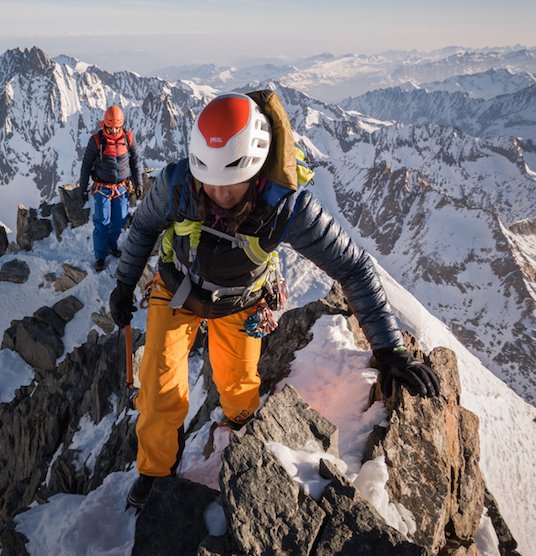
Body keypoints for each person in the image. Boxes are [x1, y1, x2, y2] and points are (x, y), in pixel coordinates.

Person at [108, 91, 442, 510]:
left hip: (240, 299)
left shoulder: (287, 207)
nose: (217, 194)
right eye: (209, 182)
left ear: (257, 168)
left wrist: (390, 349)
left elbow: (354, 267)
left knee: (239, 389)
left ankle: (237, 436)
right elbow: (141, 230)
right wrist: (123, 288)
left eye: (230, 184)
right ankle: (155, 473)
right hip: (176, 290)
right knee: (159, 388)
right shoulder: (177, 184)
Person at [78, 106, 143, 272]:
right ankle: (100, 255)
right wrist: (83, 188)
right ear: (104, 124)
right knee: (102, 223)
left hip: (121, 188)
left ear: (121, 125)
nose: (113, 130)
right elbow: (86, 165)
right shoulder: (96, 140)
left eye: (116, 127)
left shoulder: (128, 138)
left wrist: (139, 183)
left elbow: (135, 161)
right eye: (110, 127)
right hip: (102, 189)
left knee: (120, 220)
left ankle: (111, 246)